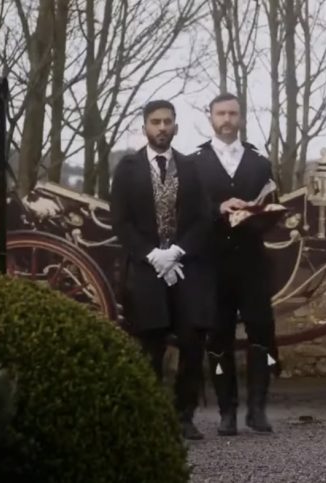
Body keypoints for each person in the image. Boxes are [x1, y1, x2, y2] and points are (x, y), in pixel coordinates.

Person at [110, 99, 214, 440]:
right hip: (146, 268)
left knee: (192, 342)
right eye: (155, 122)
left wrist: (178, 251)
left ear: (176, 127)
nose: (162, 127)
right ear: (145, 127)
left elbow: (204, 218)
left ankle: (184, 416)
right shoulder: (127, 169)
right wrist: (152, 254)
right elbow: (121, 221)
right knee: (149, 345)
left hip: (187, 268)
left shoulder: (192, 167)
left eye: (167, 121)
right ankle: (152, 418)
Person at [187, 92, 278, 436]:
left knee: (262, 335)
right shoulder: (193, 163)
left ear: (241, 117)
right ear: (210, 117)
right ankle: (227, 411)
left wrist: (255, 214)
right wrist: (218, 209)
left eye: (233, 114)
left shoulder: (260, 163)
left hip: (252, 262)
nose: (227, 120)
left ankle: (258, 409)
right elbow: (187, 212)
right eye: (221, 114)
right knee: (217, 339)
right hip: (212, 264)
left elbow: (273, 208)